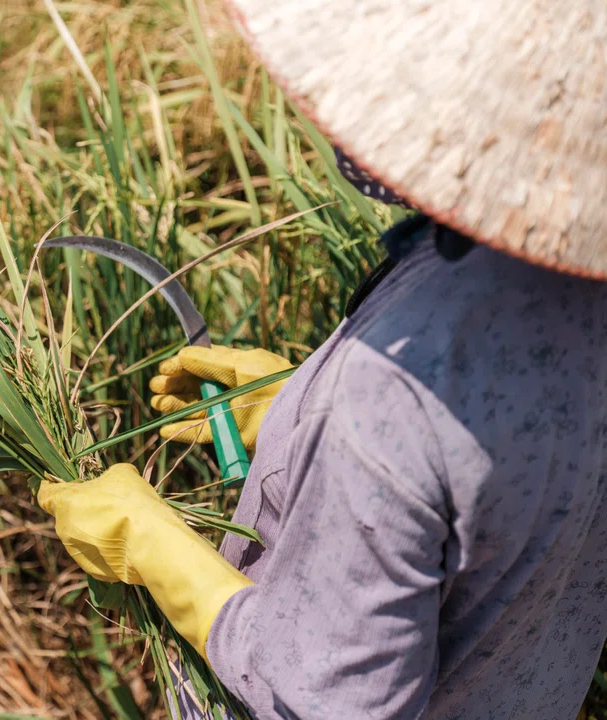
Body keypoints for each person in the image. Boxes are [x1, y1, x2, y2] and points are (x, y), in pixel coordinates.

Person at [38, 0, 607, 717]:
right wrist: (299, 421)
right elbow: (494, 498)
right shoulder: (567, 265)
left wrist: (154, 548)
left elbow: (333, 701)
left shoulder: (400, 388)